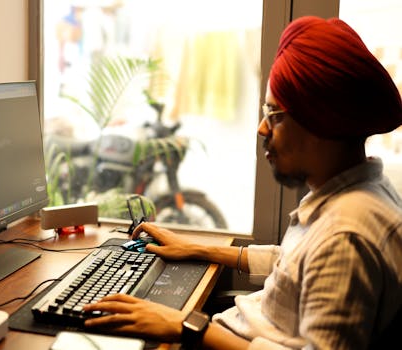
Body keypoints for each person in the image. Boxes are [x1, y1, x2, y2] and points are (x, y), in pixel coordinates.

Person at [83, 16, 402, 349]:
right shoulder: (362, 192)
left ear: (322, 122)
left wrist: (186, 326)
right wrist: (196, 248)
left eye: (274, 115)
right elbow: (294, 263)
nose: (262, 129)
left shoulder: (345, 238)